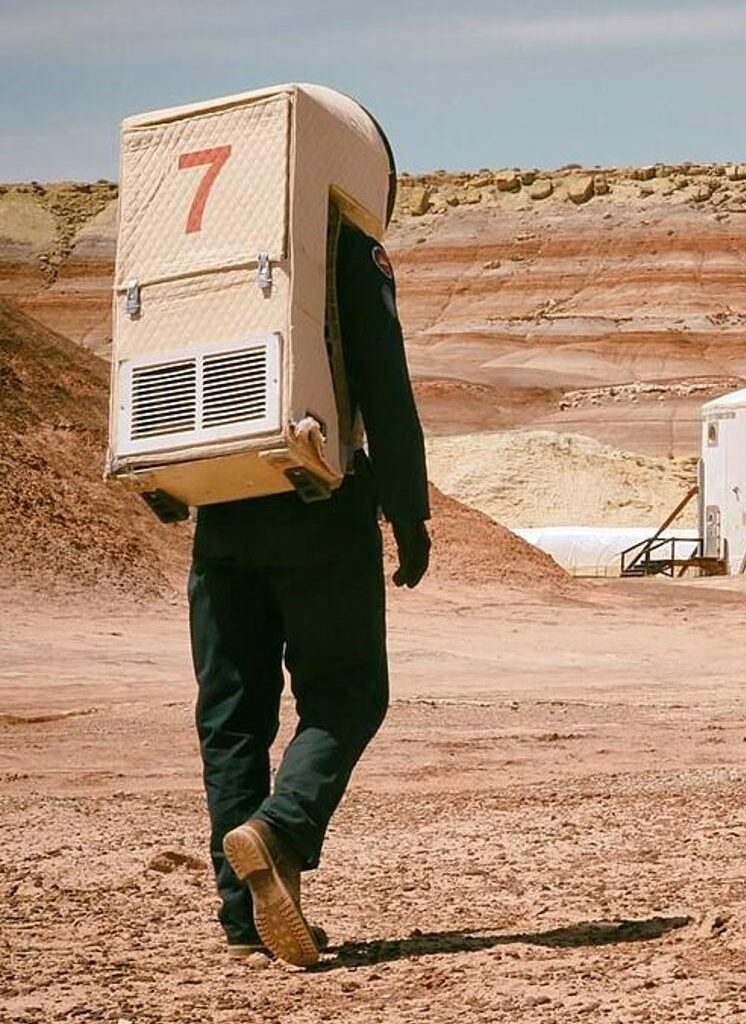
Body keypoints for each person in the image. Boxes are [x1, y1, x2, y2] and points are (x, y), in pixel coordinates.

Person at [191, 211, 431, 966]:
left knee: (233, 716)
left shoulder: (212, 249)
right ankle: (281, 828)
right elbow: (383, 379)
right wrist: (409, 511)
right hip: (318, 497)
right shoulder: (343, 245)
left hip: (220, 498)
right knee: (346, 694)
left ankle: (244, 917)